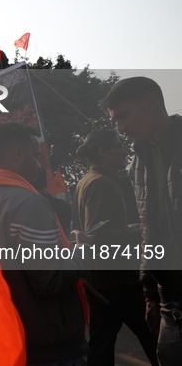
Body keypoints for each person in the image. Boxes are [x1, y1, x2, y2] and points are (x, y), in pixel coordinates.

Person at [0, 123, 88, 365]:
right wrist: (82, 253)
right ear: (18, 154)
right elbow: (49, 279)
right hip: (48, 337)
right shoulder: (27, 201)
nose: (38, 164)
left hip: (14, 332)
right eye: (35, 156)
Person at [100, 76, 182, 365]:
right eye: (115, 121)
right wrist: (149, 293)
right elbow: (149, 231)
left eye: (123, 116)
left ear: (151, 103)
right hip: (169, 300)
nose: (120, 128)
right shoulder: (137, 166)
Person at [72, 129, 158, 365]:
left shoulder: (88, 180)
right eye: (117, 146)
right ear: (103, 152)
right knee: (155, 337)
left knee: (101, 346)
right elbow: (96, 234)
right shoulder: (100, 183)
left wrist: (127, 228)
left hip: (103, 280)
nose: (123, 151)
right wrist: (139, 232)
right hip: (118, 279)